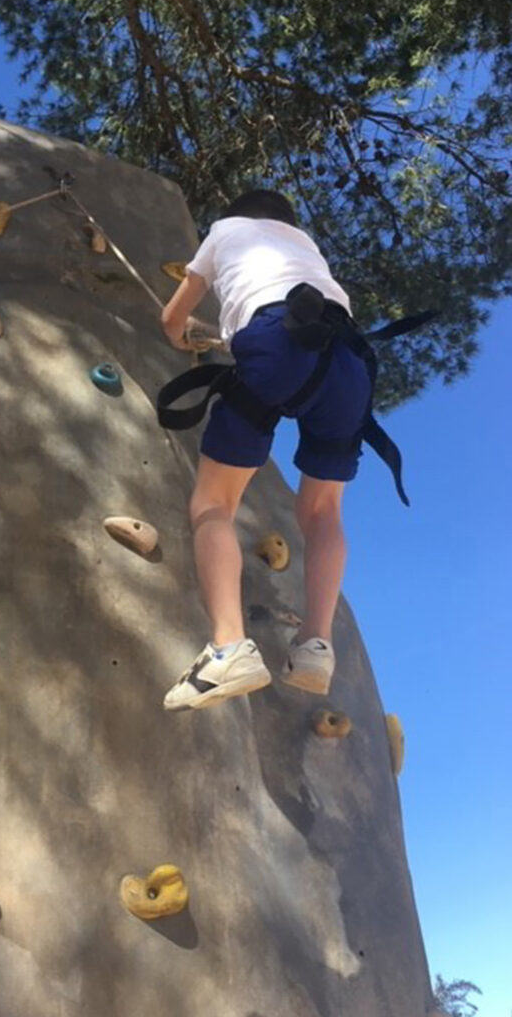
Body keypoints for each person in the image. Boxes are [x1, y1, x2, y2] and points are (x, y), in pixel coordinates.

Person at [160, 189, 372, 711]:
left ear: (233, 215)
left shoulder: (223, 232)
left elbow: (172, 318)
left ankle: (229, 647)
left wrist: (181, 336)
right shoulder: (305, 247)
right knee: (323, 509)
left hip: (276, 338)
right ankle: (316, 645)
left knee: (214, 504)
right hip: (349, 358)